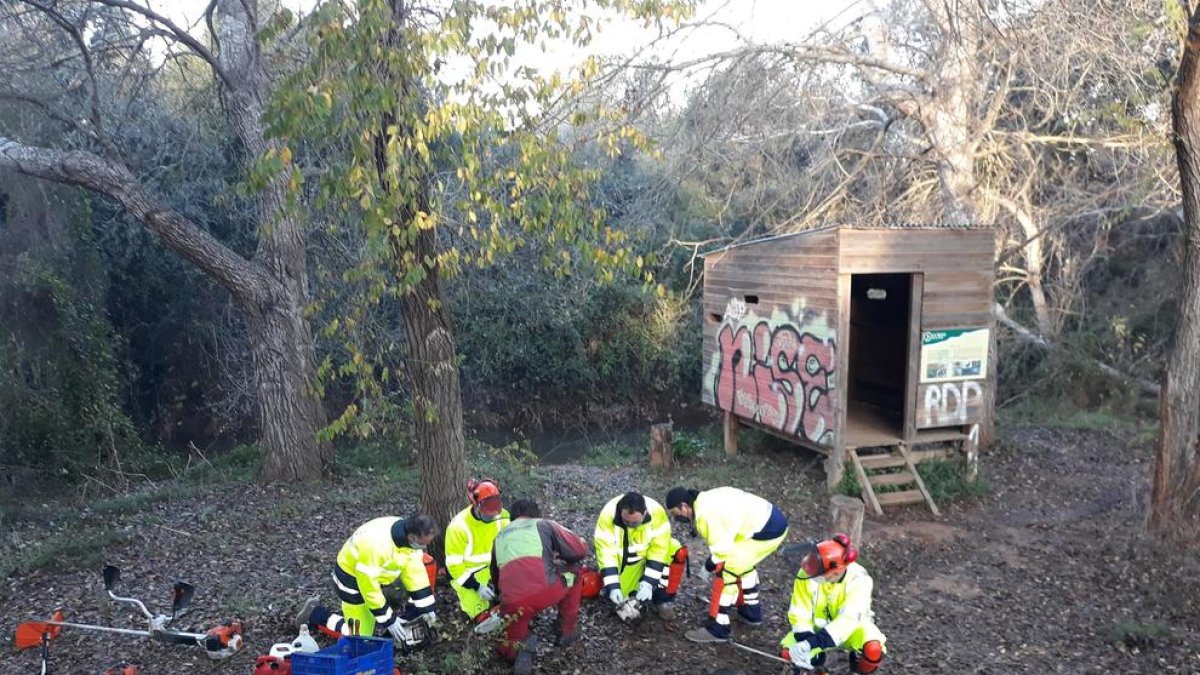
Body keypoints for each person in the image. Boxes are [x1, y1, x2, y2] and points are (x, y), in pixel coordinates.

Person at [665, 486, 788, 643]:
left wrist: (709, 565)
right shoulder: (704, 499)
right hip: (770, 522)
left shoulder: (705, 515)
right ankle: (751, 612)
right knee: (742, 564)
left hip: (767, 531)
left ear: (684, 506)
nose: (678, 519)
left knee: (726, 571)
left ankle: (718, 627)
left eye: (677, 513)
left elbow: (722, 552)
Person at [296, 515, 438, 646]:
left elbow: (414, 571)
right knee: (358, 636)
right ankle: (316, 615)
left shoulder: (407, 535)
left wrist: (427, 608)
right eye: (422, 544)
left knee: (371, 622)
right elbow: (368, 587)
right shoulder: (377, 545)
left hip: (376, 578)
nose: (424, 548)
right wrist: (389, 620)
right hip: (351, 580)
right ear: (412, 537)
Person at [490, 499, 588, 675]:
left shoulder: (499, 537)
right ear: (536, 514)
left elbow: (496, 579)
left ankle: (517, 650)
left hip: (512, 602)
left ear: (512, 518)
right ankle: (567, 629)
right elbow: (577, 550)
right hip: (545, 591)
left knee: (508, 643)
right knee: (575, 572)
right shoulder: (544, 524)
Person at [781, 534, 886, 674]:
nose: (810, 572)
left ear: (836, 571)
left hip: (852, 631)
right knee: (789, 654)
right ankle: (817, 665)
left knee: (873, 649)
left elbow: (848, 621)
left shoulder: (860, 580)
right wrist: (804, 639)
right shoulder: (807, 571)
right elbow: (800, 611)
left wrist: (811, 644)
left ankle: (859, 671)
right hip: (814, 630)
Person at [593, 491, 688, 621]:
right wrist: (613, 585)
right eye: (627, 522)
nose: (631, 526)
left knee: (675, 548)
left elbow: (659, 549)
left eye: (635, 523)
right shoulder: (608, 515)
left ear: (644, 513)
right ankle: (633, 594)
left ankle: (661, 599)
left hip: (649, 555)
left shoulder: (657, 512)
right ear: (621, 512)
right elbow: (606, 552)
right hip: (626, 562)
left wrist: (649, 582)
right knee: (621, 596)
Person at [445, 478, 510, 631]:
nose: (493, 518)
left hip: (497, 567)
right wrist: (477, 587)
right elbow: (454, 568)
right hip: (469, 573)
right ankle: (483, 615)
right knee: (480, 612)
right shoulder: (458, 527)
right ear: (476, 505)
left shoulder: (504, 516)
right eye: (488, 515)